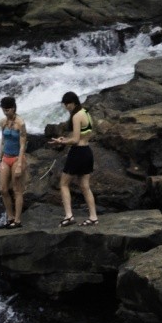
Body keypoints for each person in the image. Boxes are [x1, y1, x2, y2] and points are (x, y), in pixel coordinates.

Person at [51, 90, 98, 227]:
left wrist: (61, 142)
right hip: (87, 151)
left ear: (73, 102)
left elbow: (76, 140)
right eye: (65, 105)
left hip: (77, 152)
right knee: (85, 186)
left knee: (64, 183)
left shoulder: (76, 116)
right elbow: (82, 136)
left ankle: (69, 215)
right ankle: (93, 217)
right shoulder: (86, 113)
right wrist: (65, 139)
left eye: (68, 104)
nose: (67, 107)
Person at [0, 96, 28, 228]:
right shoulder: (3, 122)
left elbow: (23, 145)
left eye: (8, 110)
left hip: (17, 158)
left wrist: (20, 164)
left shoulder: (20, 123)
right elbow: (3, 141)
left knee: (17, 190)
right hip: (6, 157)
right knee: (3, 189)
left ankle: (17, 220)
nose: (5, 112)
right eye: (4, 110)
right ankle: (10, 217)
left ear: (13, 108)